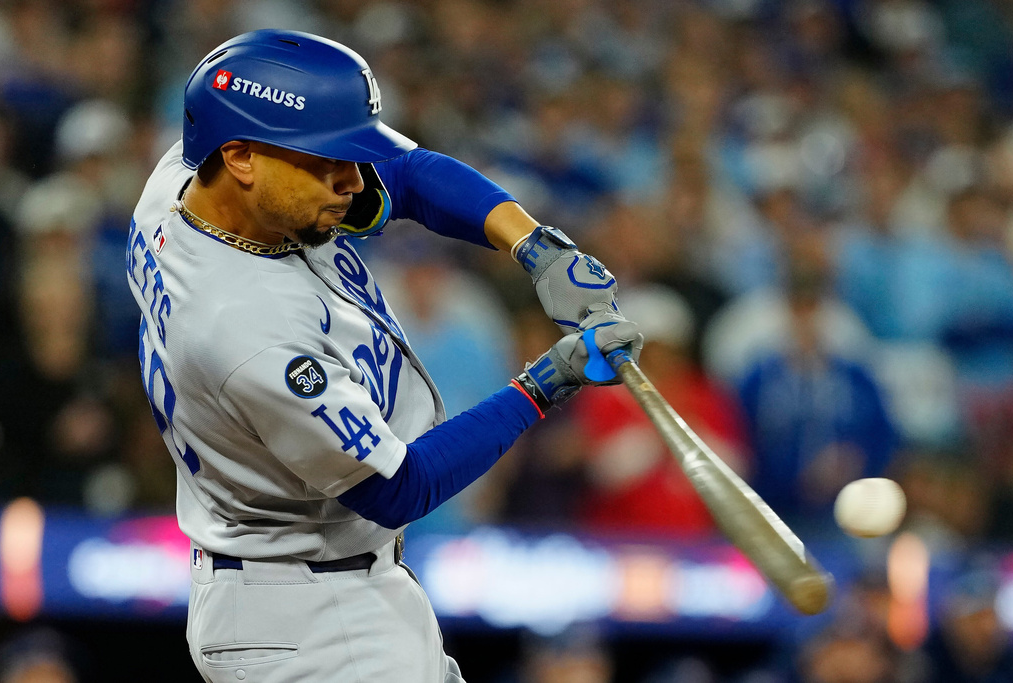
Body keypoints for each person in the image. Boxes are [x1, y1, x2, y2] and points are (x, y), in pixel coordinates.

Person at [124, 30, 641, 682]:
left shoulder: (188, 181)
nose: (349, 180)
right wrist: (548, 379)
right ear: (242, 157)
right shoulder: (247, 331)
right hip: (304, 616)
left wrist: (538, 249)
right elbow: (400, 487)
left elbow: (404, 175)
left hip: (325, 586)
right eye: (327, 160)